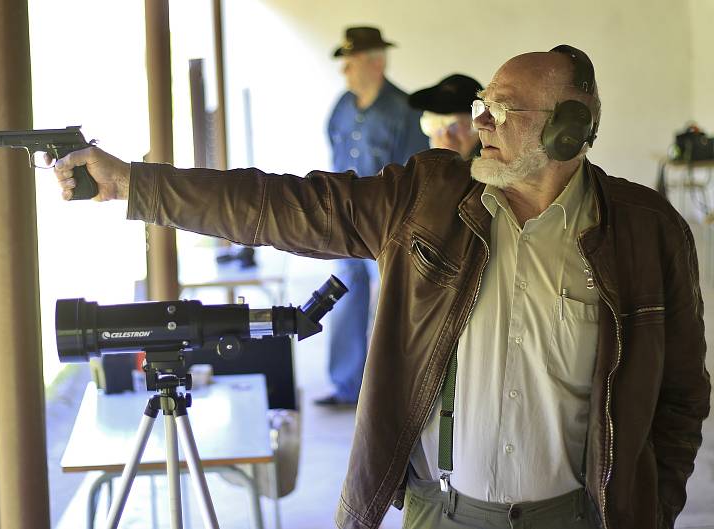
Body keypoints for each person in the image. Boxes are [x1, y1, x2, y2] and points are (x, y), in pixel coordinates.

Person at [54, 45, 710, 529]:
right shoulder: (427, 197)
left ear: (569, 126)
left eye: (503, 110)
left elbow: (681, 397)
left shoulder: (647, 232)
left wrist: (651, 505)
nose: (480, 122)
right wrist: (135, 184)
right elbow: (275, 204)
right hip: (441, 511)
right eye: (481, 104)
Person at [320, 26, 429, 407]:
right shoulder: (343, 106)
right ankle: (347, 386)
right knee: (343, 296)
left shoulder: (405, 109)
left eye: (350, 63)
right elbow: (333, 153)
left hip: (387, 224)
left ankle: (389, 393)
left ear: (376, 62)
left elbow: (416, 172)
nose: (344, 71)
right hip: (346, 222)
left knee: (390, 306)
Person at [409, 73, 483, 160]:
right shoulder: (418, 168)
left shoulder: (493, 167)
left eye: (455, 125)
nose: (446, 136)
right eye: (435, 124)